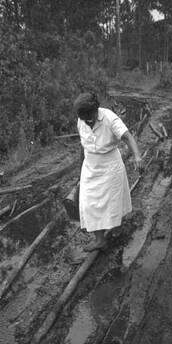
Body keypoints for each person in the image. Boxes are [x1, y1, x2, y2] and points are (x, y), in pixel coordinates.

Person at [74, 92, 143, 252]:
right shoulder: (81, 120)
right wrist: (80, 171)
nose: (87, 121)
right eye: (84, 118)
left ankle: (116, 228)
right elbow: (82, 146)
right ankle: (100, 240)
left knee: (112, 202)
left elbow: (128, 137)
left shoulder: (109, 118)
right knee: (89, 204)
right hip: (90, 167)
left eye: (89, 116)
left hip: (110, 166)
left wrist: (137, 156)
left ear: (96, 110)